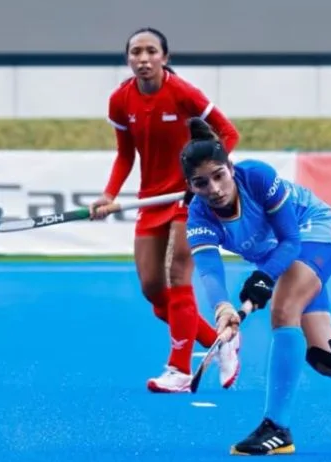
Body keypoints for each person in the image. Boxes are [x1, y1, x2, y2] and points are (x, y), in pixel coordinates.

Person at [179, 116, 331, 455]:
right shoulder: (198, 216)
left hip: (313, 232)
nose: (214, 189)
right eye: (201, 183)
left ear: (231, 168)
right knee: (328, 359)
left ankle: (276, 427)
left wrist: (265, 277)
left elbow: (290, 239)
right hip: (280, 258)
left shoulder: (258, 177)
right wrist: (222, 307)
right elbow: (209, 270)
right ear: (190, 187)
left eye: (219, 176)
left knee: (284, 310)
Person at [90, 27, 243, 393]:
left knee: (177, 275)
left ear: (165, 57)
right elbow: (126, 154)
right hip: (151, 198)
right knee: (153, 290)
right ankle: (221, 340)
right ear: (128, 58)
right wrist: (108, 194)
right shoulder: (120, 100)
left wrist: (205, 180)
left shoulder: (183, 93)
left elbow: (228, 134)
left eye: (151, 52)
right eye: (135, 52)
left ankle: (179, 369)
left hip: (186, 199)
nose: (143, 59)